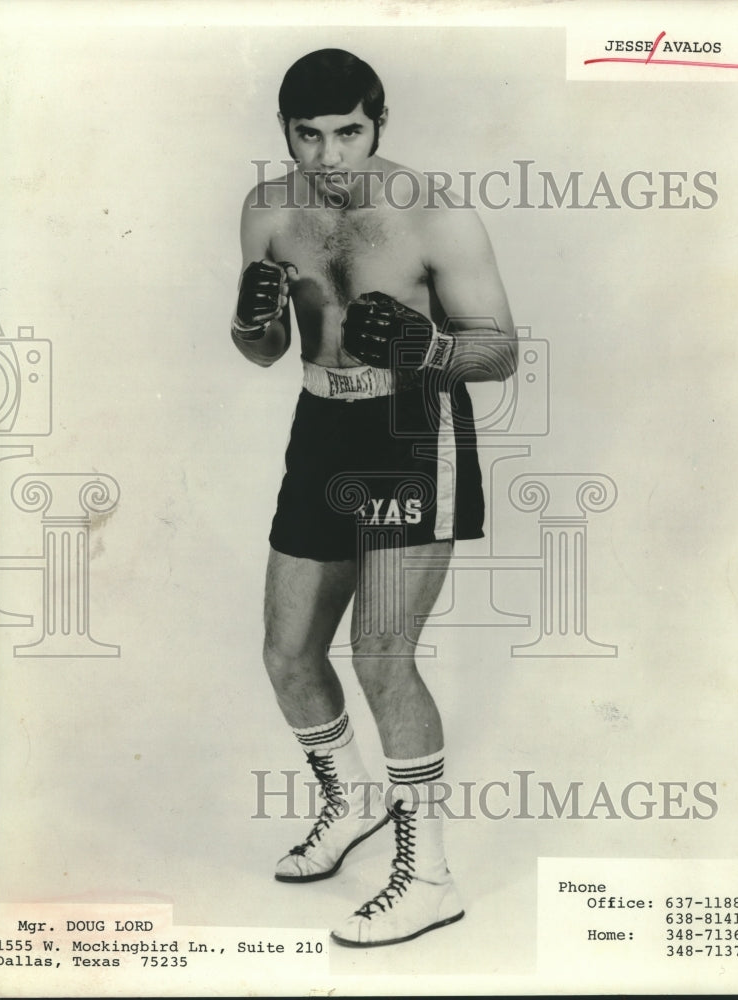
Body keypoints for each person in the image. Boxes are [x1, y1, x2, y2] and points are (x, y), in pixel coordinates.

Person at [231, 48, 516, 948]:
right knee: (287, 653)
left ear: (378, 121)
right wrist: (252, 322)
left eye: (347, 131)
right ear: (285, 132)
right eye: (307, 135)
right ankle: (351, 798)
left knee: (382, 655)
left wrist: (427, 350)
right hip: (318, 427)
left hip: (410, 429)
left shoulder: (434, 214)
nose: (328, 154)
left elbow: (501, 350)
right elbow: (265, 352)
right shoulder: (267, 211)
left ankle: (429, 876)